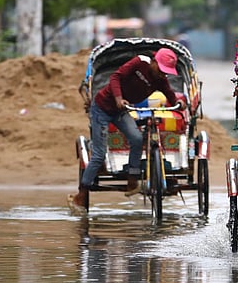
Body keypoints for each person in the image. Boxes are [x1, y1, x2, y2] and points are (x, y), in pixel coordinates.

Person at [70, 47, 180, 212]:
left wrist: (180, 105)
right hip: (102, 108)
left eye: (166, 72)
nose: (163, 74)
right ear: (155, 62)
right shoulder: (139, 62)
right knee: (99, 155)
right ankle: (82, 193)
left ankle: (132, 178)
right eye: (161, 69)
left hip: (121, 111)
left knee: (136, 139)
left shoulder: (160, 79)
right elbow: (116, 77)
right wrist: (118, 98)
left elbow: (169, 93)